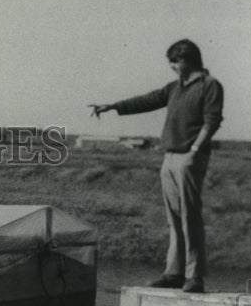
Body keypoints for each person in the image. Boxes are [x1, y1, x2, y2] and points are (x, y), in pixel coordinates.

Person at [89, 39, 223, 293]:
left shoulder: (210, 85)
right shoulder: (175, 87)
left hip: (189, 158)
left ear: (186, 60)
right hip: (169, 157)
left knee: (189, 218)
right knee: (174, 219)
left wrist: (195, 150)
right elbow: (148, 100)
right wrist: (114, 106)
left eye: (174, 61)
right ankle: (174, 273)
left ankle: (195, 277)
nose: (172, 66)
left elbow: (212, 121)